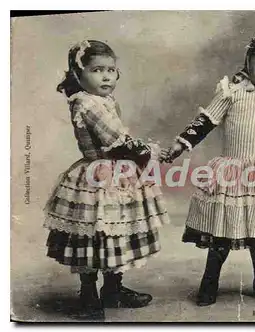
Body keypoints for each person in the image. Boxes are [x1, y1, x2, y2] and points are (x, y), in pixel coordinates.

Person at [161, 30, 255, 306]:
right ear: (248, 61)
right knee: (222, 230)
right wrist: (181, 144)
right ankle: (210, 280)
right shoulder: (231, 93)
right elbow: (204, 121)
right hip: (232, 173)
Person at [44, 40, 169, 319]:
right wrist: (151, 153)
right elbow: (117, 142)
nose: (106, 76)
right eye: (97, 70)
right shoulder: (87, 104)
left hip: (117, 173)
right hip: (99, 175)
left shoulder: (103, 101)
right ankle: (88, 294)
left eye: (111, 70)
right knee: (95, 234)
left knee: (117, 231)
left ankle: (113, 289)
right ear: (78, 74)